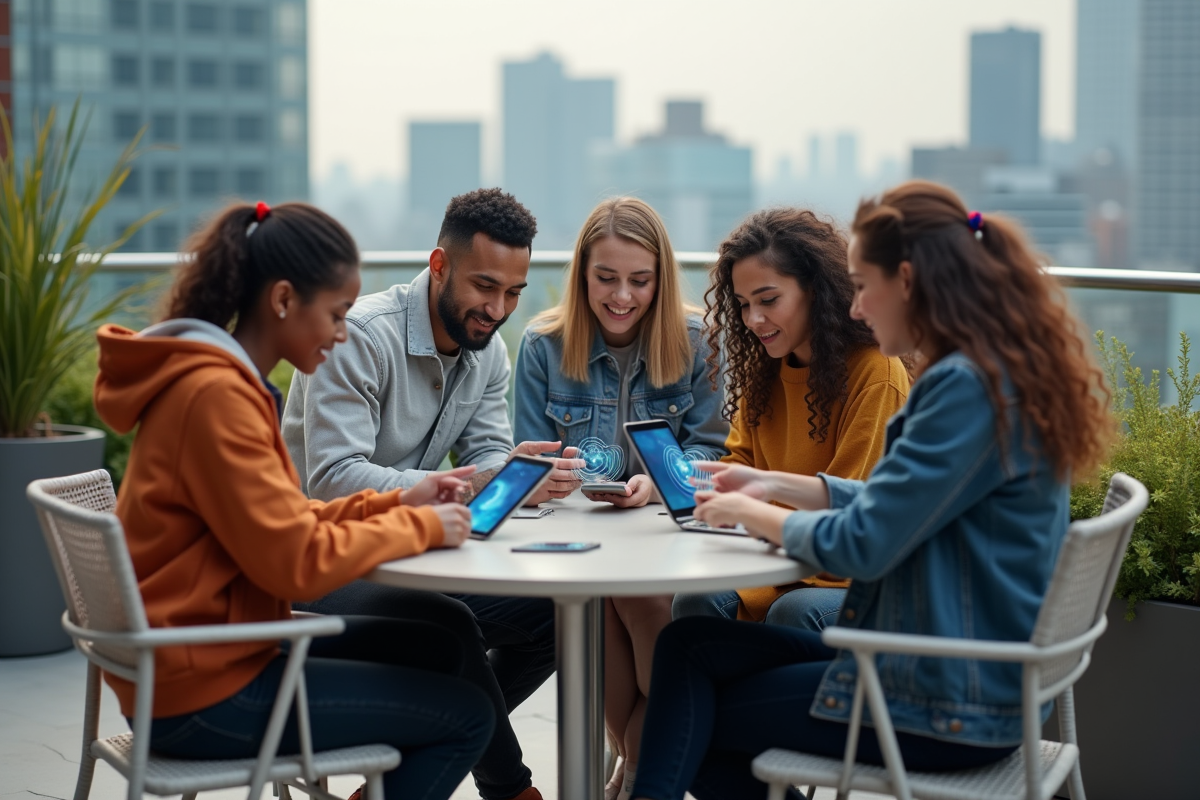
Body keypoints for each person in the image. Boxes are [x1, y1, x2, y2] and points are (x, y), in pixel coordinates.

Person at [629, 180, 1115, 800]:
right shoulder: (990, 375)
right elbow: (898, 505)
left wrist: (752, 513)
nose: (855, 308)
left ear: (906, 281)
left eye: (863, 286)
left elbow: (865, 545)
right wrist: (775, 483)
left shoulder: (964, 392)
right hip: (957, 674)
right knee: (689, 648)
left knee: (690, 716)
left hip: (942, 699)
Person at [92, 201, 495, 800]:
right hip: (201, 693)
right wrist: (423, 530)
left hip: (209, 656)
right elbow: (291, 561)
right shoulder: (215, 399)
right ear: (282, 300)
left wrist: (403, 500)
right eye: (335, 313)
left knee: (439, 644)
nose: (341, 332)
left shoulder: (224, 383)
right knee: (466, 717)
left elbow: (285, 518)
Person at [282, 188, 580, 800]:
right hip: (312, 557)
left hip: (406, 553)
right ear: (438, 264)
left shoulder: (487, 349)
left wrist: (520, 476)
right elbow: (334, 478)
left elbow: (486, 457)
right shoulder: (359, 336)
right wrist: (469, 485)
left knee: (563, 614)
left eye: (513, 293)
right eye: (484, 286)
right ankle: (507, 788)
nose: (497, 309)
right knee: (448, 623)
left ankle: (415, 759)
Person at [513, 197, 727, 800]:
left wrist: (660, 480)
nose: (622, 297)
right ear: (582, 273)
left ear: (661, 279)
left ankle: (633, 775)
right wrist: (543, 477)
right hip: (580, 537)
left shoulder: (697, 342)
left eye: (639, 280)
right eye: (606, 278)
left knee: (635, 601)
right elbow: (528, 461)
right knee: (596, 603)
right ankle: (637, 772)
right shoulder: (542, 345)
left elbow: (715, 454)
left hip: (666, 532)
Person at [672, 208, 910, 630]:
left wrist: (758, 516)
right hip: (777, 558)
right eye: (743, 305)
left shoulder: (876, 373)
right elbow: (740, 462)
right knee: (697, 598)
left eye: (769, 300)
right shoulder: (764, 370)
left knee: (795, 612)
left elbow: (850, 511)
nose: (753, 320)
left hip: (851, 576)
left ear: (817, 291)